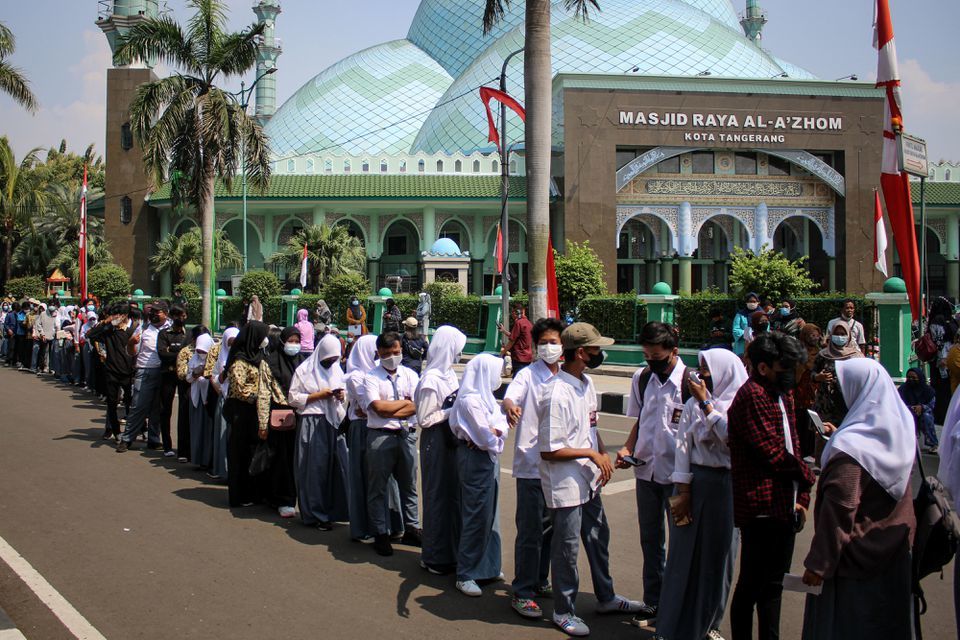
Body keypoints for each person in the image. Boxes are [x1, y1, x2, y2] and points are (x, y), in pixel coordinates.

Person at [800, 358, 916, 639]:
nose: (838, 393)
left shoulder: (852, 450)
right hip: (893, 554)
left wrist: (818, 565)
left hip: (853, 566)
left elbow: (840, 512)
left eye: (842, 387)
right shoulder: (899, 427)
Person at [539, 322, 641, 637]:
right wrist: (592, 455)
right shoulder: (557, 392)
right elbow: (550, 451)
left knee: (598, 538)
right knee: (567, 548)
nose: (600, 353)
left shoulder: (586, 383)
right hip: (565, 483)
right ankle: (563, 610)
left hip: (588, 480)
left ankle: (606, 596)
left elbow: (591, 428)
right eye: (596, 348)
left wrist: (601, 456)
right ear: (581, 352)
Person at [727, 331, 815, 640]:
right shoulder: (752, 395)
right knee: (751, 584)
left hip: (785, 504)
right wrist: (808, 475)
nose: (792, 373)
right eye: (785, 367)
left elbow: (793, 445)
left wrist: (801, 496)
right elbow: (772, 452)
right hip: (760, 506)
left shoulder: (782, 393)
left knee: (774, 584)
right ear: (764, 367)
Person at [655, 348, 747, 640]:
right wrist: (682, 489)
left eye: (708, 369)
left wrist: (708, 404)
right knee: (682, 557)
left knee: (719, 560)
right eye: (701, 367)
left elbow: (731, 440)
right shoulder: (694, 404)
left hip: (727, 487)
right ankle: (672, 627)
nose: (701, 374)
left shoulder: (739, 405)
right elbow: (683, 445)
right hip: (695, 483)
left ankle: (708, 625)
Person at [616, 321, 687, 626]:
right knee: (650, 540)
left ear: (674, 351)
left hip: (678, 479)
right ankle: (653, 602)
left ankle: (677, 605)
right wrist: (627, 448)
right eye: (647, 357)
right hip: (646, 473)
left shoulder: (691, 382)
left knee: (680, 543)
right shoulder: (643, 378)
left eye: (658, 357)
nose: (652, 363)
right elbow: (641, 419)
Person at [502, 317, 564, 619]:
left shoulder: (567, 377)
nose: (549, 348)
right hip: (531, 465)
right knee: (529, 531)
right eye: (544, 343)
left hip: (560, 466)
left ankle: (540, 580)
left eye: (554, 342)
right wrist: (510, 406)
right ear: (536, 347)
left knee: (550, 530)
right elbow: (511, 395)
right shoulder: (528, 375)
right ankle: (522, 591)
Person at [448, 352, 507, 596]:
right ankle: (466, 573)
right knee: (476, 514)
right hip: (475, 459)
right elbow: (485, 435)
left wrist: (495, 434)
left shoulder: (487, 399)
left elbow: (500, 427)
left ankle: (487, 566)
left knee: (489, 514)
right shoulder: (470, 401)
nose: (501, 376)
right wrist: (494, 434)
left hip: (488, 456)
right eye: (498, 371)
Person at [362, 331, 421, 556]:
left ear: (401, 350)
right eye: (386, 354)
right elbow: (378, 408)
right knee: (377, 487)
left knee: (409, 485)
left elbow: (419, 404)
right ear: (379, 353)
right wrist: (404, 405)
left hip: (406, 436)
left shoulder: (410, 375)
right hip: (380, 436)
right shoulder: (371, 377)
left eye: (395, 352)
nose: (392, 357)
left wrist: (393, 407)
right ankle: (380, 533)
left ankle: (412, 528)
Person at [415, 325, 467, 575]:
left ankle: (451, 551)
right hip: (436, 440)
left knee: (452, 496)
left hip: (450, 439)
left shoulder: (448, 375)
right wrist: (452, 411)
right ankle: (435, 555)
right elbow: (424, 418)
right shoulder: (431, 379)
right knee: (437, 495)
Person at [345, 334, 404, 541]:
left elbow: (383, 406)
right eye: (377, 353)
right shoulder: (357, 376)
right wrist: (393, 406)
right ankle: (366, 528)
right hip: (362, 429)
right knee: (365, 479)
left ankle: (390, 525)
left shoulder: (382, 374)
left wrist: (384, 407)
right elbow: (368, 408)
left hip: (379, 427)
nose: (383, 357)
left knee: (386, 479)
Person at [288, 333, 350, 529]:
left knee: (335, 467)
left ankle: (332, 511)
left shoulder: (336, 371)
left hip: (333, 422)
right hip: (311, 421)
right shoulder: (304, 370)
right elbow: (293, 397)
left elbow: (345, 394)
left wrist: (340, 395)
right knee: (313, 470)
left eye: (334, 359)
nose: (330, 362)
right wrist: (317, 396)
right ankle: (314, 514)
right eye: (327, 359)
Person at [224, 321, 284, 507]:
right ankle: (240, 494)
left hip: (256, 412)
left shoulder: (259, 357)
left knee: (254, 451)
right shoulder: (239, 361)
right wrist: (261, 395)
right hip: (242, 412)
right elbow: (239, 389)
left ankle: (255, 492)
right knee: (239, 453)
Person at [116, 301, 171, 452]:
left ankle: (153, 439)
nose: (153, 314)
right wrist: (131, 343)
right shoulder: (144, 328)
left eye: (157, 312)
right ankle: (127, 439)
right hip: (145, 370)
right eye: (152, 311)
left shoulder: (171, 329)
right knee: (138, 406)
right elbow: (132, 352)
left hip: (164, 371)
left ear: (165, 313)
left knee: (157, 409)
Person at [264, 326, 306, 518]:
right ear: (282, 342)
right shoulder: (271, 362)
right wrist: (262, 421)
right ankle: (282, 499)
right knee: (280, 459)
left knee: (295, 459)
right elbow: (264, 394)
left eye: (297, 341)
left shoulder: (303, 363)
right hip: (278, 417)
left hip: (299, 416)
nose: (294, 345)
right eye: (291, 341)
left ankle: (294, 497)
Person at [85, 304, 136, 440]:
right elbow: (90, 335)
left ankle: (135, 430)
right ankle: (115, 431)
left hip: (128, 373)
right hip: (111, 372)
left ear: (124, 316)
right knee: (112, 404)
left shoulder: (131, 332)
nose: (115, 318)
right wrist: (106, 322)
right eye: (113, 315)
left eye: (118, 315)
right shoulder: (108, 332)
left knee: (130, 404)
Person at [811, 323, 864, 429]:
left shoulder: (857, 357)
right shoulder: (823, 355)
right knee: (824, 438)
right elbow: (812, 374)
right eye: (836, 333)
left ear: (848, 336)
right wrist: (818, 377)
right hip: (825, 405)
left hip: (847, 405)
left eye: (843, 334)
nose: (839, 336)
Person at [157, 304, 189, 457]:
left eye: (182, 316)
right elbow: (162, 354)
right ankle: (167, 446)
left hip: (183, 377)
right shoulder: (164, 334)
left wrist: (173, 352)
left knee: (184, 411)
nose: (180, 318)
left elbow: (191, 354)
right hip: (167, 374)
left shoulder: (188, 334)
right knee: (166, 410)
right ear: (172, 317)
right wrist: (181, 354)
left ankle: (183, 449)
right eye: (176, 316)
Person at [209, 326, 240, 479]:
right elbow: (213, 377)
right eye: (230, 342)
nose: (232, 345)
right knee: (222, 434)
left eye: (235, 341)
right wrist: (220, 387)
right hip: (224, 400)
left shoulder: (242, 357)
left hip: (237, 401)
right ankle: (223, 470)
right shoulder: (221, 358)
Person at [185, 332, 214, 466]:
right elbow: (188, 378)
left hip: (209, 398)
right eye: (199, 350)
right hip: (196, 398)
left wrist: (205, 376)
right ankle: (197, 459)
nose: (201, 353)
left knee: (208, 431)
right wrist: (195, 374)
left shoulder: (214, 359)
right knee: (197, 429)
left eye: (203, 350)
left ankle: (207, 460)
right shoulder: (194, 359)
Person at [795, 323, 822, 460]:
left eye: (817, 335)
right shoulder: (798, 351)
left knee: (814, 423)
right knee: (801, 422)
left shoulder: (821, 353)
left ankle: (812, 451)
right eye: (812, 335)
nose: (815, 338)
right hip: (800, 393)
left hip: (816, 393)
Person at [899, 366, 938, 454]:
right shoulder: (903, 389)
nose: (911, 379)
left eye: (914, 378)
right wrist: (910, 408)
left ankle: (933, 444)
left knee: (927, 416)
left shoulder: (928, 391)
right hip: (907, 412)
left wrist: (921, 407)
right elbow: (898, 403)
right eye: (909, 377)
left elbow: (932, 405)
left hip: (924, 413)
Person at [500, 304, 533, 378]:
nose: (512, 315)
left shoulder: (519, 323)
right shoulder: (528, 323)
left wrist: (503, 351)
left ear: (516, 313)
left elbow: (512, 340)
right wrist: (504, 331)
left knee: (517, 380)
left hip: (519, 357)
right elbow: (515, 336)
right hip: (527, 357)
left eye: (513, 313)